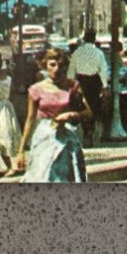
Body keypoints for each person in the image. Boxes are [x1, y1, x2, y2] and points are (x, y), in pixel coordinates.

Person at [16, 48, 92, 182]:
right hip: (44, 137)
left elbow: (88, 112)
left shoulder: (72, 85)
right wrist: (21, 151)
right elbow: (30, 119)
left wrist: (72, 115)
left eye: (60, 65)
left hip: (66, 138)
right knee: (42, 176)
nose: (56, 69)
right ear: (45, 65)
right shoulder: (36, 89)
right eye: (52, 65)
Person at [69, 28, 109, 146]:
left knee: (83, 107)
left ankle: (87, 131)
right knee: (93, 107)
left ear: (84, 39)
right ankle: (89, 132)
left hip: (81, 82)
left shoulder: (77, 53)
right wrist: (105, 86)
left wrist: (73, 84)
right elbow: (103, 71)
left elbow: (71, 71)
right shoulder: (99, 53)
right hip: (95, 82)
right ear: (94, 39)